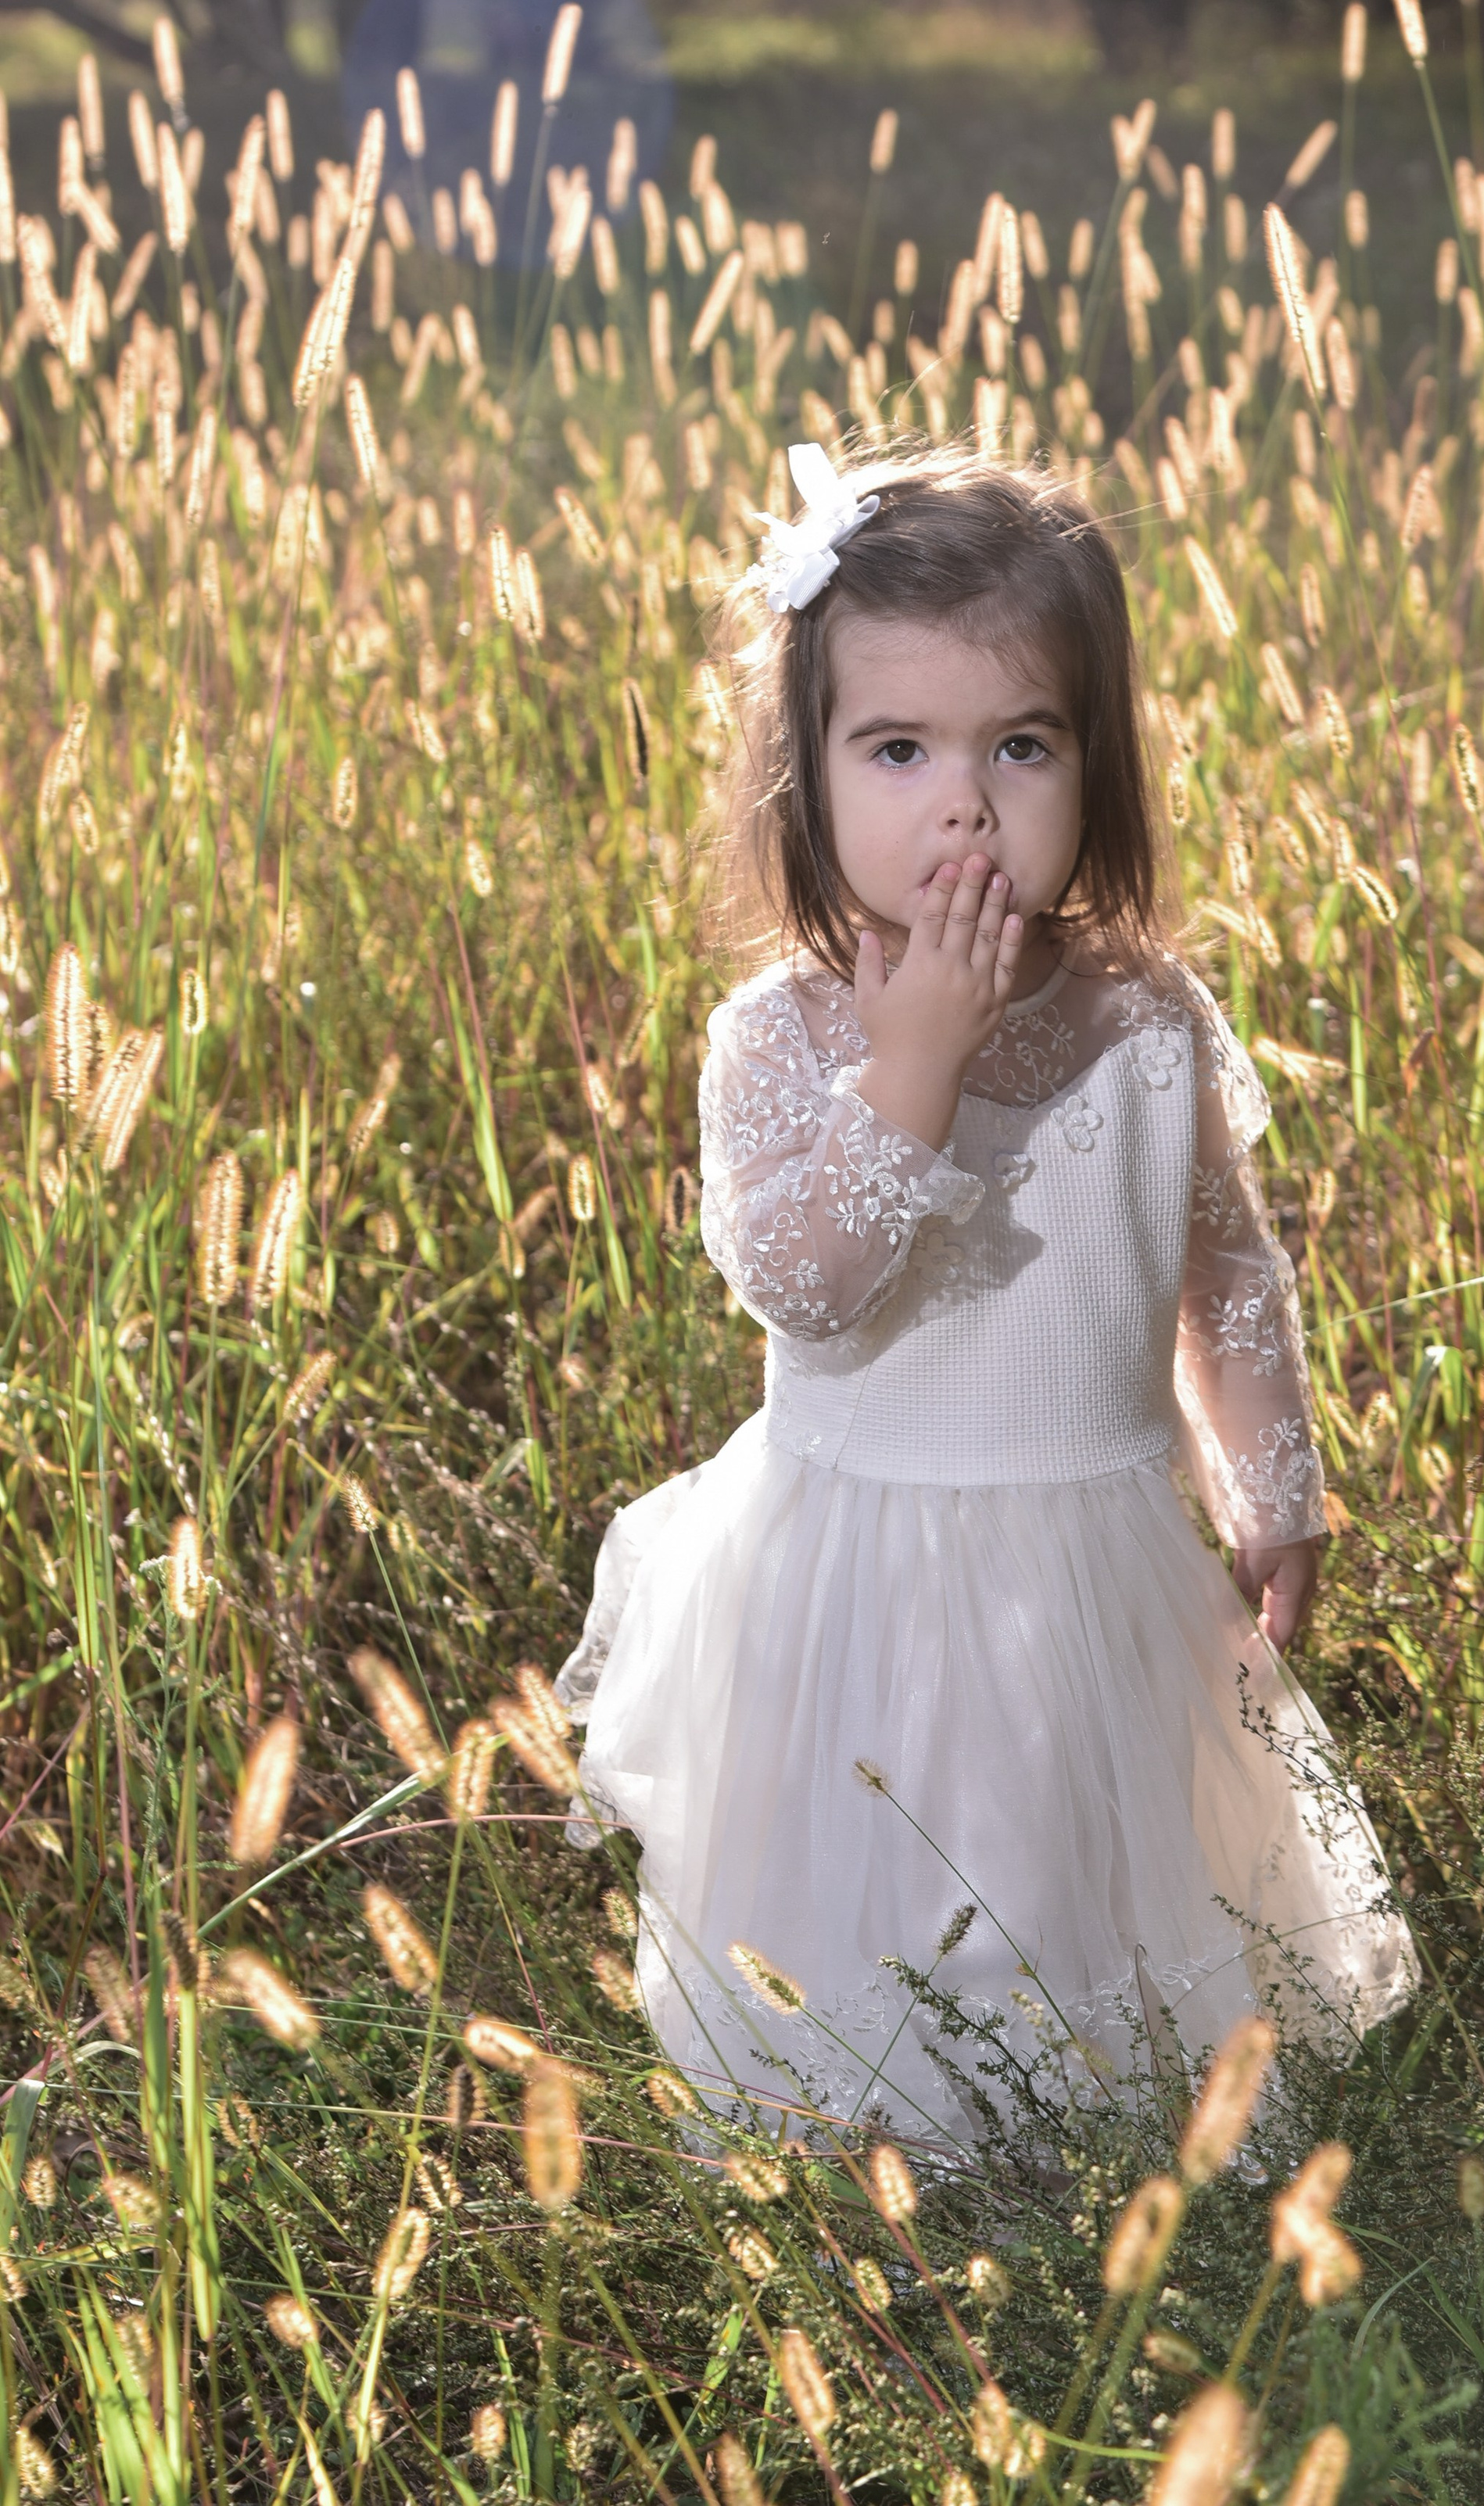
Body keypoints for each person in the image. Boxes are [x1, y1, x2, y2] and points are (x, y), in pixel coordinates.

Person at [556, 443, 1418, 2137]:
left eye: (1018, 745)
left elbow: (1220, 1267)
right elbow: (804, 1291)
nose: (961, 801)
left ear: (1095, 768)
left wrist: (1270, 1477)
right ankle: (873, 2118)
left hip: (1085, 1559)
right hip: (853, 1578)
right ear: (804, 777)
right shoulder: (782, 1041)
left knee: (1073, 1860)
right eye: (897, 749)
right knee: (866, 1903)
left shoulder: (1141, 1019)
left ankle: (1081, 2123)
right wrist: (914, 1068)